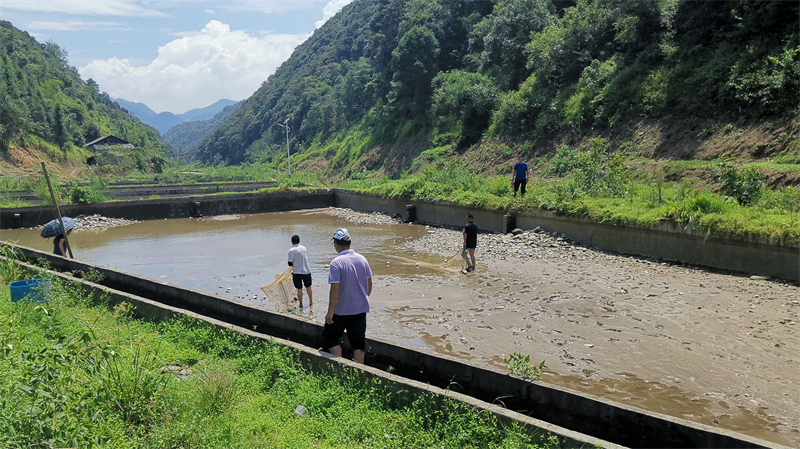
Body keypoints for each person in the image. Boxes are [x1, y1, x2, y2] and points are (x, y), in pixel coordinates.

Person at [323, 228, 373, 364]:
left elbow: (335, 289)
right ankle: (360, 372)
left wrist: (330, 312)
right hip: (360, 309)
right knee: (358, 343)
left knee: (330, 338)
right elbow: (369, 283)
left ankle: (339, 364)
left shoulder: (336, 263)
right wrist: (362, 298)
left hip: (341, 310)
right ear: (349, 243)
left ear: (336, 244)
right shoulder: (362, 260)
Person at [288, 234, 313, 307]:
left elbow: (289, 263)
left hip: (296, 272)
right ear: (299, 241)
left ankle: (301, 304)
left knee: (299, 288)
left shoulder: (291, 251)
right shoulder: (304, 248)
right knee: (308, 287)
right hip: (306, 271)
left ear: (292, 242)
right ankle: (311, 302)